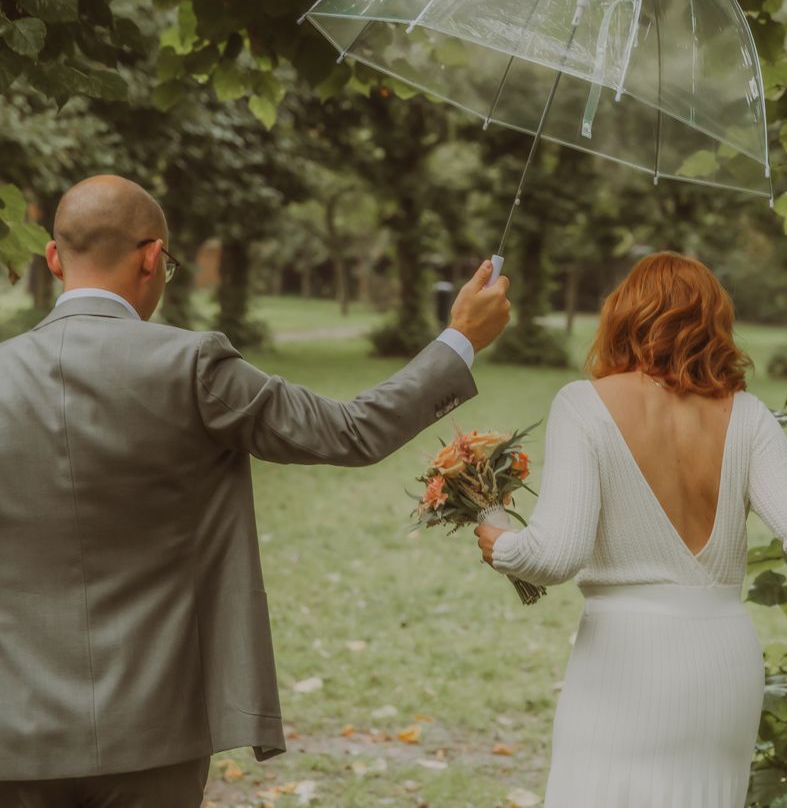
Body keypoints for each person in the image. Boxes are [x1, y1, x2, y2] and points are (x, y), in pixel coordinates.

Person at [0, 174, 511, 808]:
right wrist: (461, 337)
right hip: (157, 726)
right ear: (153, 256)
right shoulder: (190, 365)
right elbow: (351, 433)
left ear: (53, 257)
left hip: (14, 731)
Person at [476, 250, 786, 808]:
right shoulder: (751, 417)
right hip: (726, 663)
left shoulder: (585, 405)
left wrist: (499, 540)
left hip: (628, 662)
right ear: (715, 323)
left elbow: (554, 556)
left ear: (623, 315)